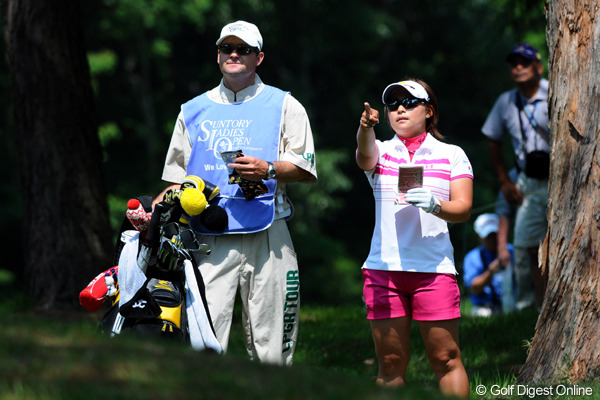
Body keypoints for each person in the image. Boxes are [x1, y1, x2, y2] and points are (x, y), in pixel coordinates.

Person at [156, 20, 317, 366]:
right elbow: (176, 180)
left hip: (270, 232)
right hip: (207, 237)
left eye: (242, 49)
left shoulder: (285, 105)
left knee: (273, 345)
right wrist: (150, 210)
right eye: (226, 48)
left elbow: (305, 168)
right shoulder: (191, 110)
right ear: (217, 56)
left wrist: (268, 169)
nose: (233, 54)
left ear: (258, 58)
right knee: (205, 340)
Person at [356, 79, 472, 398]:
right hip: (383, 271)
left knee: (445, 358)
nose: (400, 109)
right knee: (390, 363)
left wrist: (436, 205)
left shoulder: (452, 154)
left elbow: (462, 209)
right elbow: (364, 156)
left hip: (434, 271)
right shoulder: (380, 151)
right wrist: (366, 127)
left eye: (409, 102)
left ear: (429, 110)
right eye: (393, 104)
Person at [481, 43, 549, 310]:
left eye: (525, 62)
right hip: (528, 182)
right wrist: (504, 181)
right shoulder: (506, 101)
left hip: (563, 180)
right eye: (514, 63)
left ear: (538, 67)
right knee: (525, 246)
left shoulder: (556, 92)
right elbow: (492, 141)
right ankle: (530, 308)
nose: (518, 67)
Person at [463, 213, 516, 317]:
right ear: (478, 236)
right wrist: (491, 271)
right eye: (488, 236)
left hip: (512, 303)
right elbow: (474, 289)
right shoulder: (472, 257)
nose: (492, 239)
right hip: (484, 308)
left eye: (494, 235)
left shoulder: (512, 251)